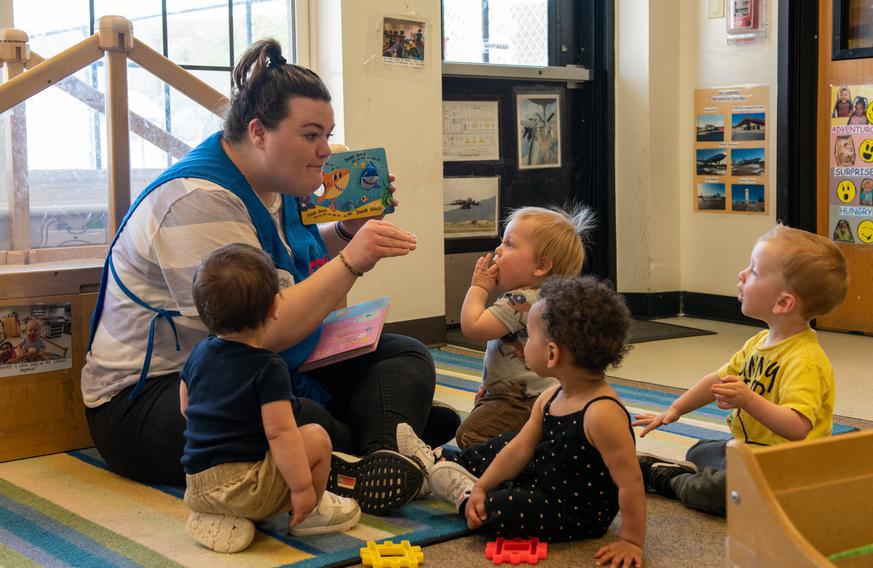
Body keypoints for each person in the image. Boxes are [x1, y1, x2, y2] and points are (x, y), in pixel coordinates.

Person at [81, 39, 458, 502]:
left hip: (255, 365)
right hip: (150, 398)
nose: (324, 150)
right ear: (258, 132)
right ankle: (371, 428)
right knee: (302, 421)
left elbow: (278, 260)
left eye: (327, 134)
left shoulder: (280, 183)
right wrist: (351, 261)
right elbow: (263, 326)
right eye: (310, 134)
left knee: (406, 354)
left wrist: (346, 231)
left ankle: (379, 452)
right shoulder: (198, 198)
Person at [398, 277, 644, 567]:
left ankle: (461, 494)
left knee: (505, 510)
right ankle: (437, 464)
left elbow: (631, 482)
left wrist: (631, 540)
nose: (524, 344)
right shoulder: (551, 396)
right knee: (503, 443)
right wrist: (484, 486)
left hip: (571, 510)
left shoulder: (602, 413)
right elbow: (518, 450)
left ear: (552, 354)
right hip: (540, 477)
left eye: (529, 338)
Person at [633, 225, 849, 517]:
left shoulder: (805, 360)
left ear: (783, 302)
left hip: (786, 466)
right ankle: (709, 468)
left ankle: (669, 480)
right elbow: (717, 380)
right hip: (751, 450)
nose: (742, 274)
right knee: (699, 451)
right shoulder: (760, 341)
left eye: (755, 271)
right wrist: (674, 409)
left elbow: (798, 427)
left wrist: (748, 400)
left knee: (714, 491)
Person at [181, 244, 362, 553]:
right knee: (316, 437)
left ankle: (212, 515)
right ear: (274, 308)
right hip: (244, 487)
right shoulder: (268, 367)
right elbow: (280, 432)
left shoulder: (199, 353)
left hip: (196, 484)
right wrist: (302, 487)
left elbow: (187, 407)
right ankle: (311, 513)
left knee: (263, 458)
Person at [456, 205, 595, 449]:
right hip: (531, 394)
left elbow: (473, 327)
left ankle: (523, 458)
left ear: (541, 266)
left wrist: (478, 287)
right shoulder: (548, 297)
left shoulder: (521, 300)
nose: (499, 249)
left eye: (510, 244)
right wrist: (490, 386)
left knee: (471, 436)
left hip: (522, 401)